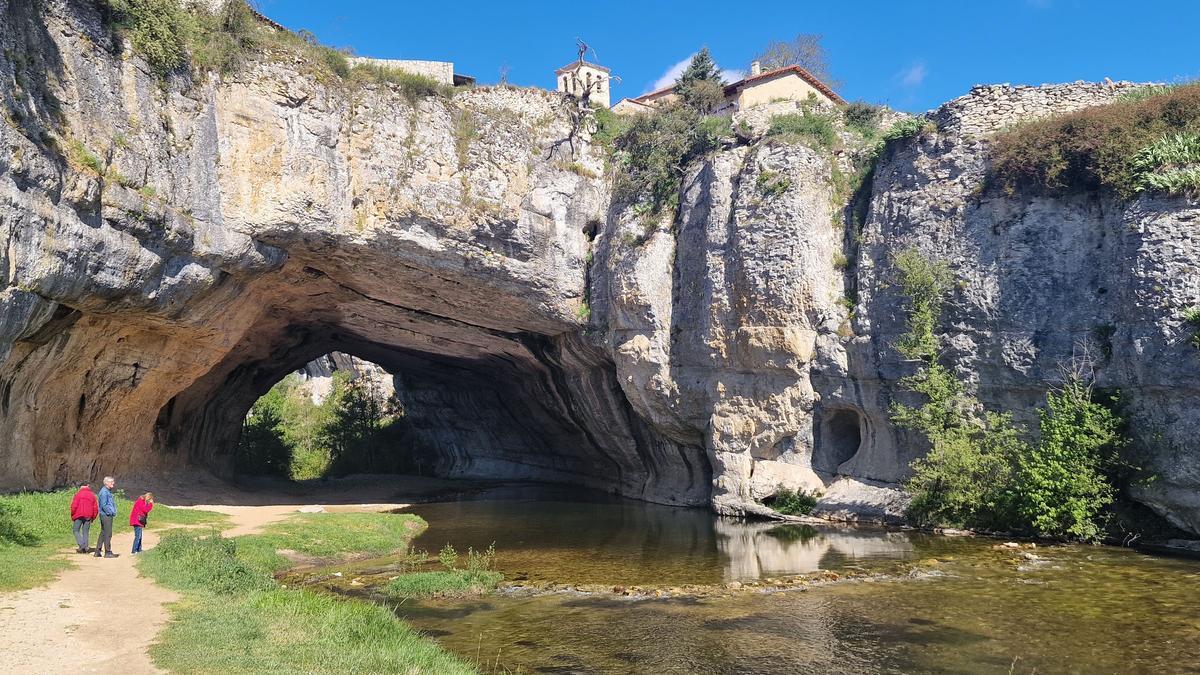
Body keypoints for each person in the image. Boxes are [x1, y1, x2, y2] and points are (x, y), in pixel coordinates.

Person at [68, 481, 98, 554]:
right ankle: (86, 547)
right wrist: (93, 517)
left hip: (78, 515)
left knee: (75, 530)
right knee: (85, 532)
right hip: (88, 516)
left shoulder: (78, 494)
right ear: (88, 486)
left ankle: (82, 545)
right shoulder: (92, 495)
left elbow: (74, 506)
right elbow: (95, 508)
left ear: (81, 487)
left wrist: (72, 515)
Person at [94, 476, 118, 558]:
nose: (113, 483)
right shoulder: (104, 492)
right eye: (111, 482)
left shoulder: (106, 491)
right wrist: (110, 512)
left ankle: (97, 551)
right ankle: (108, 552)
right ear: (106, 483)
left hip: (104, 514)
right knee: (108, 533)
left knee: (103, 532)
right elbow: (104, 505)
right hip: (106, 515)